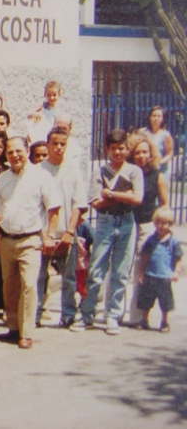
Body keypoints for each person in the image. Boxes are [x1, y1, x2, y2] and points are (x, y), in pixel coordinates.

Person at [0, 137, 59, 349]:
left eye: (18, 151)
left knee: (29, 286)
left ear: (27, 150)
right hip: (6, 240)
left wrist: (49, 236)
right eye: (10, 152)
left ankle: (27, 333)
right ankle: (13, 327)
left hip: (30, 240)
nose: (14, 155)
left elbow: (54, 208)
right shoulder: (3, 178)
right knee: (9, 287)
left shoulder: (41, 177)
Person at [76, 129, 143, 335]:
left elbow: (137, 198)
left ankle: (112, 315)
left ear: (127, 149)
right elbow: (96, 202)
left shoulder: (134, 171)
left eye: (121, 148)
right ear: (107, 149)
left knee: (121, 272)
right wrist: (125, 194)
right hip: (105, 222)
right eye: (113, 149)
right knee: (96, 270)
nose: (118, 152)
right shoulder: (100, 172)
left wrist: (111, 194)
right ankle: (87, 314)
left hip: (126, 222)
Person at [38, 127, 88, 330]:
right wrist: (44, 235)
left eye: (62, 144)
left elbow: (79, 204)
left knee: (68, 278)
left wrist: (69, 232)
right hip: (43, 234)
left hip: (66, 233)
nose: (58, 148)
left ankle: (68, 314)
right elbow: (35, 206)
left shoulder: (73, 170)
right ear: (47, 144)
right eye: (54, 143)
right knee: (40, 276)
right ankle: (36, 313)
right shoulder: (38, 170)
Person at [125, 133, 170, 326]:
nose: (142, 156)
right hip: (127, 224)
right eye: (137, 152)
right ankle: (116, 311)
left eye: (145, 152)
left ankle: (136, 316)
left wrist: (162, 228)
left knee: (139, 270)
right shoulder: (128, 173)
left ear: (151, 154)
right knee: (121, 268)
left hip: (146, 226)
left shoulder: (157, 176)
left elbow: (164, 204)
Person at [134, 207, 181, 333]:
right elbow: (145, 256)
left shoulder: (173, 242)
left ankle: (164, 321)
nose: (161, 226)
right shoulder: (151, 240)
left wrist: (176, 272)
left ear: (170, 224)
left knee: (165, 301)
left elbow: (178, 258)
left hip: (164, 276)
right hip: (150, 274)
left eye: (164, 223)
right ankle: (144, 320)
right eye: (158, 223)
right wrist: (142, 271)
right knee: (146, 300)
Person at [137, 106, 174, 176]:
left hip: (160, 170)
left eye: (159, 116)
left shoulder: (165, 135)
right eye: (154, 116)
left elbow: (169, 154)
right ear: (150, 117)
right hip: (143, 168)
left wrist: (159, 162)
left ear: (162, 119)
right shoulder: (142, 132)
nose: (156, 118)